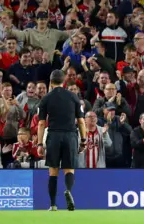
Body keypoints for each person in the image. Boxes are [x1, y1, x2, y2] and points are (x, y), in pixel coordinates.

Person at [37, 70, 87, 211]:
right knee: (69, 169)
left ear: (51, 82)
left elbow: (41, 123)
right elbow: (81, 121)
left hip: (53, 135)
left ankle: (53, 205)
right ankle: (68, 191)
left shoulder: (46, 99)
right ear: (64, 81)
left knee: (53, 171)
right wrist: (83, 140)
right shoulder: (74, 97)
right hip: (70, 135)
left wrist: (40, 143)